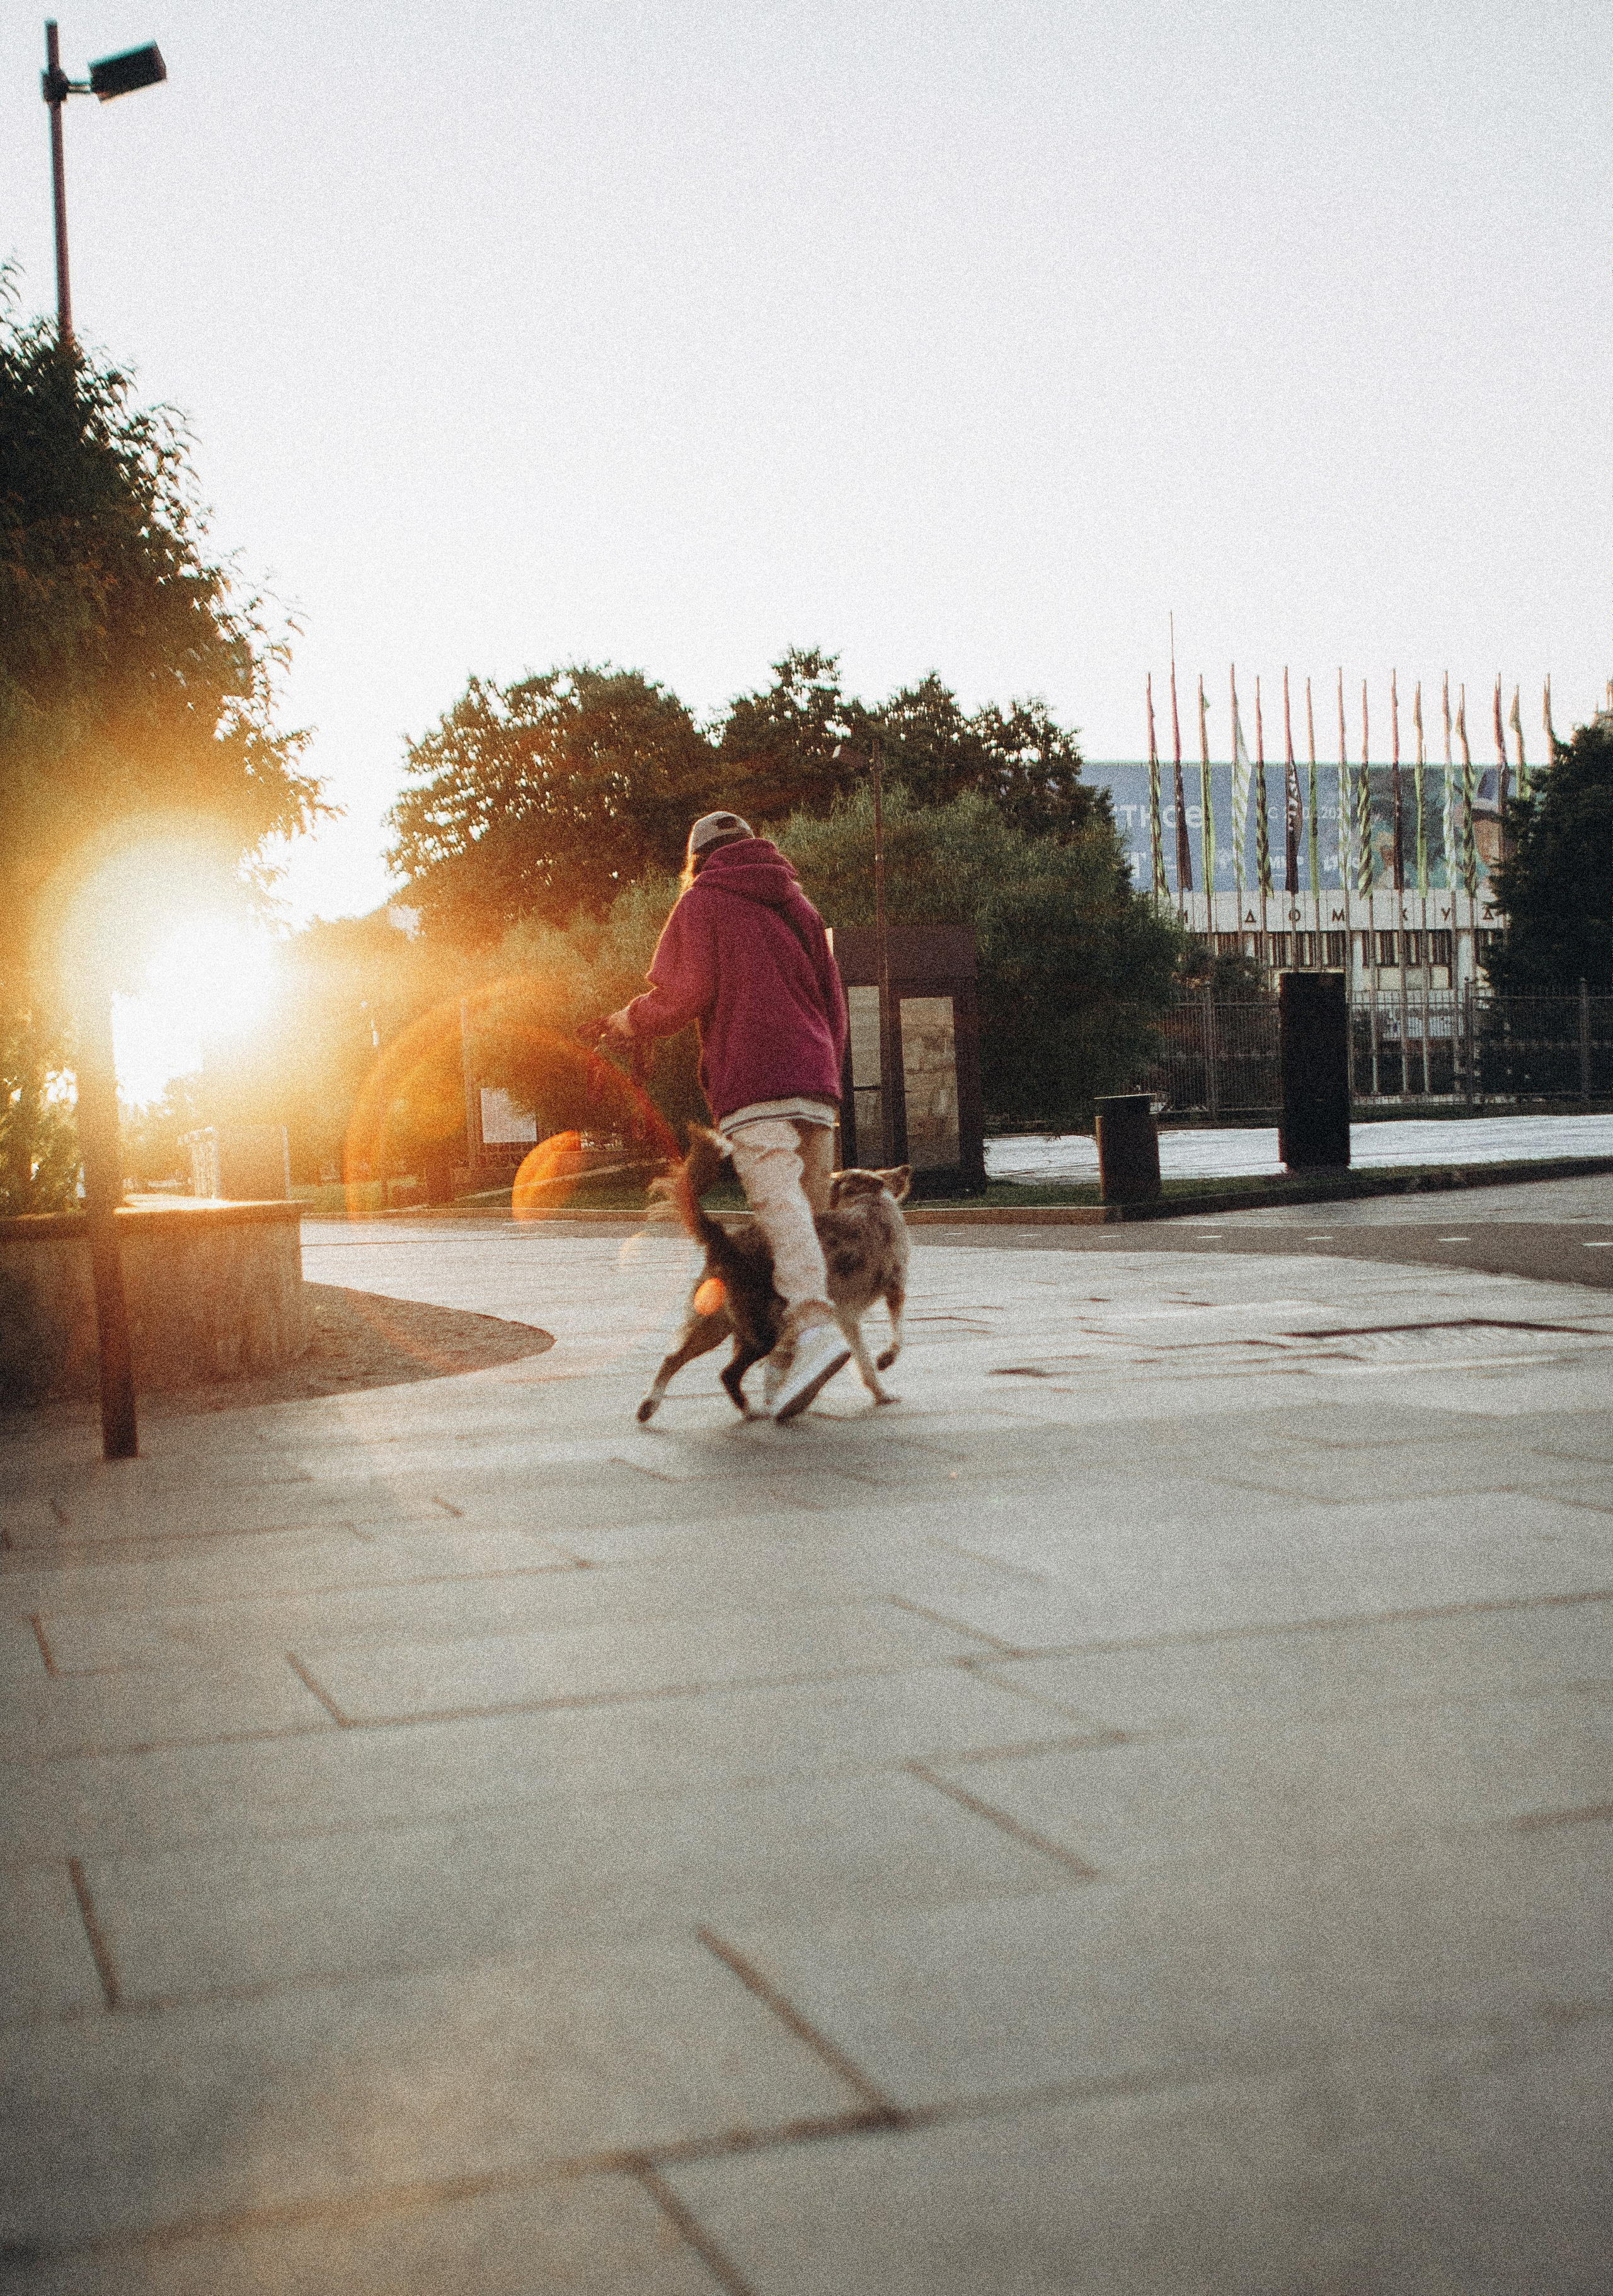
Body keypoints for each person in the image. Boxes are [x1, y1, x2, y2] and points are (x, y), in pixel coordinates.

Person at [603, 810, 852, 1421]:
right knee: (805, 1220)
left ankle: (816, 1328)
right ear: (752, 846)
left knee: (776, 1206)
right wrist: (827, 1073)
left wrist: (628, 1021)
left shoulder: (702, 903)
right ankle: (785, 1362)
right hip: (815, 1079)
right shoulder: (800, 906)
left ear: (696, 861)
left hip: (755, 1075)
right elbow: (833, 1001)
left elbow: (685, 993)